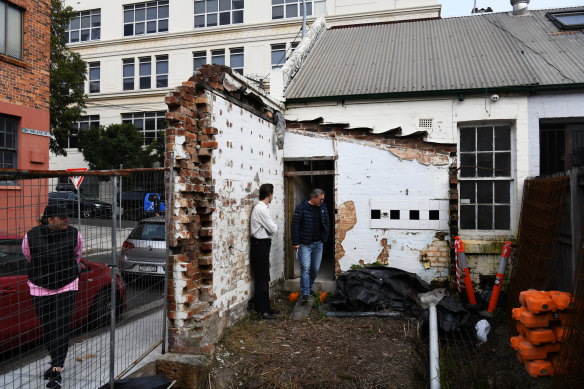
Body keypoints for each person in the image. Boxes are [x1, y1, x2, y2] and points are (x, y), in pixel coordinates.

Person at [22, 204, 83, 389]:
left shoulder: (74, 234)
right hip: (40, 287)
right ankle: (55, 361)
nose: (67, 220)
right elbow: (29, 255)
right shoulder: (30, 236)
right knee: (48, 327)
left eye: (68, 216)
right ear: (49, 220)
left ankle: (56, 370)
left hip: (67, 285)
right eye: (63, 217)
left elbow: (77, 256)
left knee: (60, 326)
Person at [291, 189, 330, 303]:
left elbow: (327, 223)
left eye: (323, 199)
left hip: (319, 243)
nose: (322, 201)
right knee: (305, 268)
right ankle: (305, 294)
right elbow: (295, 225)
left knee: (315, 269)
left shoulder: (323, 207)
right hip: (305, 244)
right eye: (320, 199)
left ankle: (308, 287)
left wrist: (324, 237)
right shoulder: (302, 208)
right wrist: (295, 242)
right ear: (313, 197)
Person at [250, 183, 279, 319]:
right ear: (270, 195)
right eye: (272, 194)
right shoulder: (261, 209)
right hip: (259, 245)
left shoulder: (262, 208)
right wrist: (272, 227)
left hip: (262, 244)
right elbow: (273, 229)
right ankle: (262, 310)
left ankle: (266, 307)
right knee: (262, 277)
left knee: (264, 276)